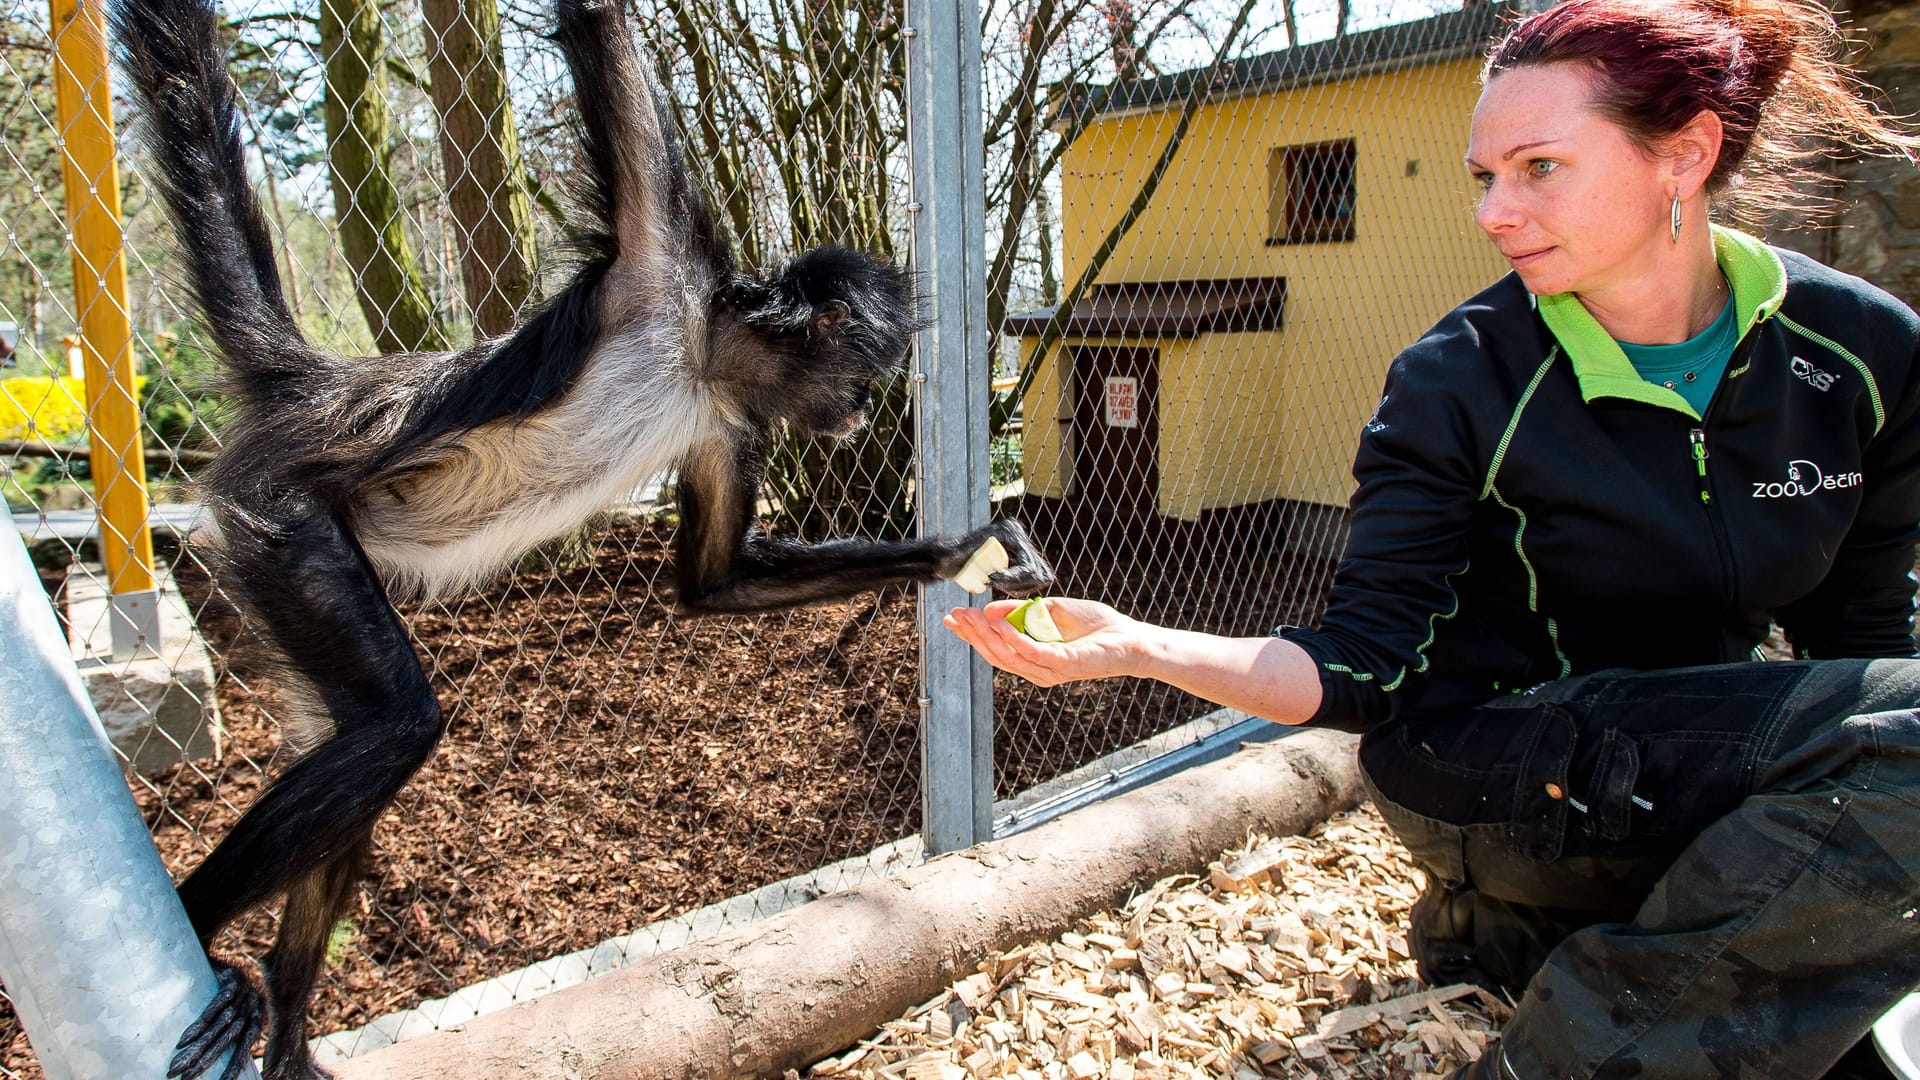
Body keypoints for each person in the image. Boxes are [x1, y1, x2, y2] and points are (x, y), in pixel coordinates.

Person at [947, 1, 1920, 1077]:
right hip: (1491, 763)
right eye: (1483, 176)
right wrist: (1135, 643)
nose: (1497, 211)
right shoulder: (1458, 378)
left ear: (1682, 154)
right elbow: (1361, 666)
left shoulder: (1862, 350)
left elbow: (1863, 639)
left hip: (1687, 755)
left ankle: (1535, 942)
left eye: (1540, 167)